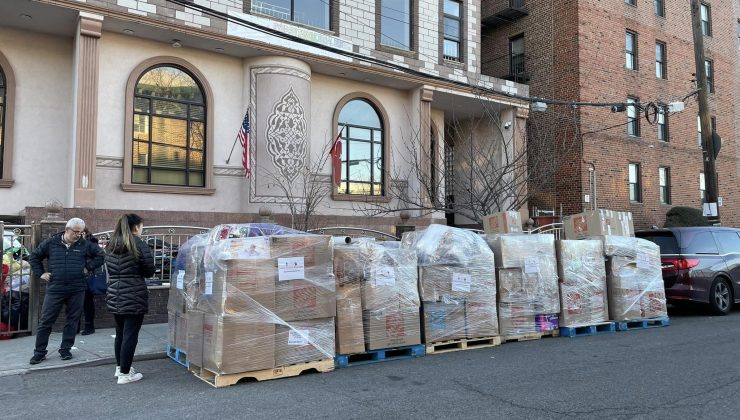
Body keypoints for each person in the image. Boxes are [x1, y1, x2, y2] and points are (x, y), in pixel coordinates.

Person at [29, 218, 104, 364]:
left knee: (72, 320)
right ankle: (39, 352)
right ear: (66, 229)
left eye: (81, 232)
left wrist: (88, 267)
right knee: (45, 321)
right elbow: (34, 257)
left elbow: (101, 256)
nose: (78, 235)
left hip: (77, 288)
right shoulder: (51, 243)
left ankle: (65, 349)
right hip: (55, 288)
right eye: (75, 232)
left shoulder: (85, 244)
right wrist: (41, 273)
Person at [105, 214, 155, 384]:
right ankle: (126, 375)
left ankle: (120, 368)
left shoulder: (111, 245)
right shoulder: (139, 244)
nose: (142, 230)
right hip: (134, 295)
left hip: (114, 293)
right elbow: (149, 270)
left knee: (120, 333)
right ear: (136, 228)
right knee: (130, 335)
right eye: (141, 227)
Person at [80, 228, 100, 335]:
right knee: (73, 303)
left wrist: (88, 267)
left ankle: (89, 326)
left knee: (87, 302)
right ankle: (75, 327)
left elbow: (99, 257)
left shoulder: (92, 241)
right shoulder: (72, 241)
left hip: (87, 276)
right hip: (75, 277)